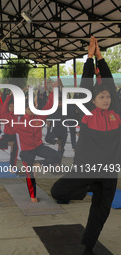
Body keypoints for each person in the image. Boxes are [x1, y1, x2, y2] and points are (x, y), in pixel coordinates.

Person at [51, 36, 121, 255]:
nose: (106, 98)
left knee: (100, 213)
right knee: (58, 190)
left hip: (109, 172)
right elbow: (86, 86)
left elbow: (108, 82)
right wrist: (90, 58)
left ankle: (87, 247)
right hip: (87, 169)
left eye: (108, 96)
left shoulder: (115, 114)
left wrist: (101, 56)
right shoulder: (86, 112)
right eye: (101, 96)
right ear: (92, 100)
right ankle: (90, 188)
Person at [12, 82, 62, 202]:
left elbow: (50, 105)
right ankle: (32, 195)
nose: (32, 110)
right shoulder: (18, 121)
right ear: (24, 109)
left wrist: (54, 89)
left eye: (33, 107)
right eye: (29, 108)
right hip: (26, 151)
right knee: (30, 175)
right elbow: (3, 112)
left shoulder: (39, 117)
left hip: (39, 146)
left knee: (56, 155)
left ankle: (38, 165)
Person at [0, 91, 18, 166]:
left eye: (13, 106)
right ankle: (10, 144)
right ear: (8, 107)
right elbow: (4, 106)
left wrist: (13, 95)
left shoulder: (17, 115)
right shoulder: (6, 114)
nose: (12, 108)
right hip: (7, 135)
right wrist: (9, 96)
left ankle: (12, 166)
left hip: (15, 135)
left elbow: (17, 103)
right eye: (10, 106)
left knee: (14, 153)